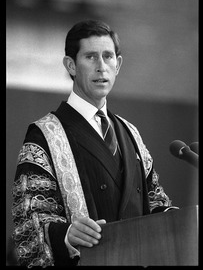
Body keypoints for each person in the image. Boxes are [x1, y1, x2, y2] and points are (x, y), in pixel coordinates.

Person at [11, 19, 178, 267]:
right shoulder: (44, 134)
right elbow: (30, 220)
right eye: (90, 57)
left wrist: (177, 219)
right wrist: (67, 235)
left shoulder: (130, 132)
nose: (102, 67)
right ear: (71, 65)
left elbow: (155, 201)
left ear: (118, 64)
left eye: (108, 57)